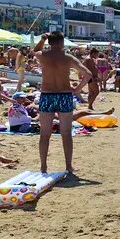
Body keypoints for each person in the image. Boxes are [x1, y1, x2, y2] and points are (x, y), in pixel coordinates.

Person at [34, 32, 92, 174]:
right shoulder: (68, 58)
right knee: (66, 133)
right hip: (64, 95)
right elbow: (88, 74)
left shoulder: (43, 55)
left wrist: (42, 40)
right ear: (61, 43)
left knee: (45, 134)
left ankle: (43, 167)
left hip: (47, 95)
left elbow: (34, 51)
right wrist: (77, 89)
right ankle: (68, 166)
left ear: (50, 42)